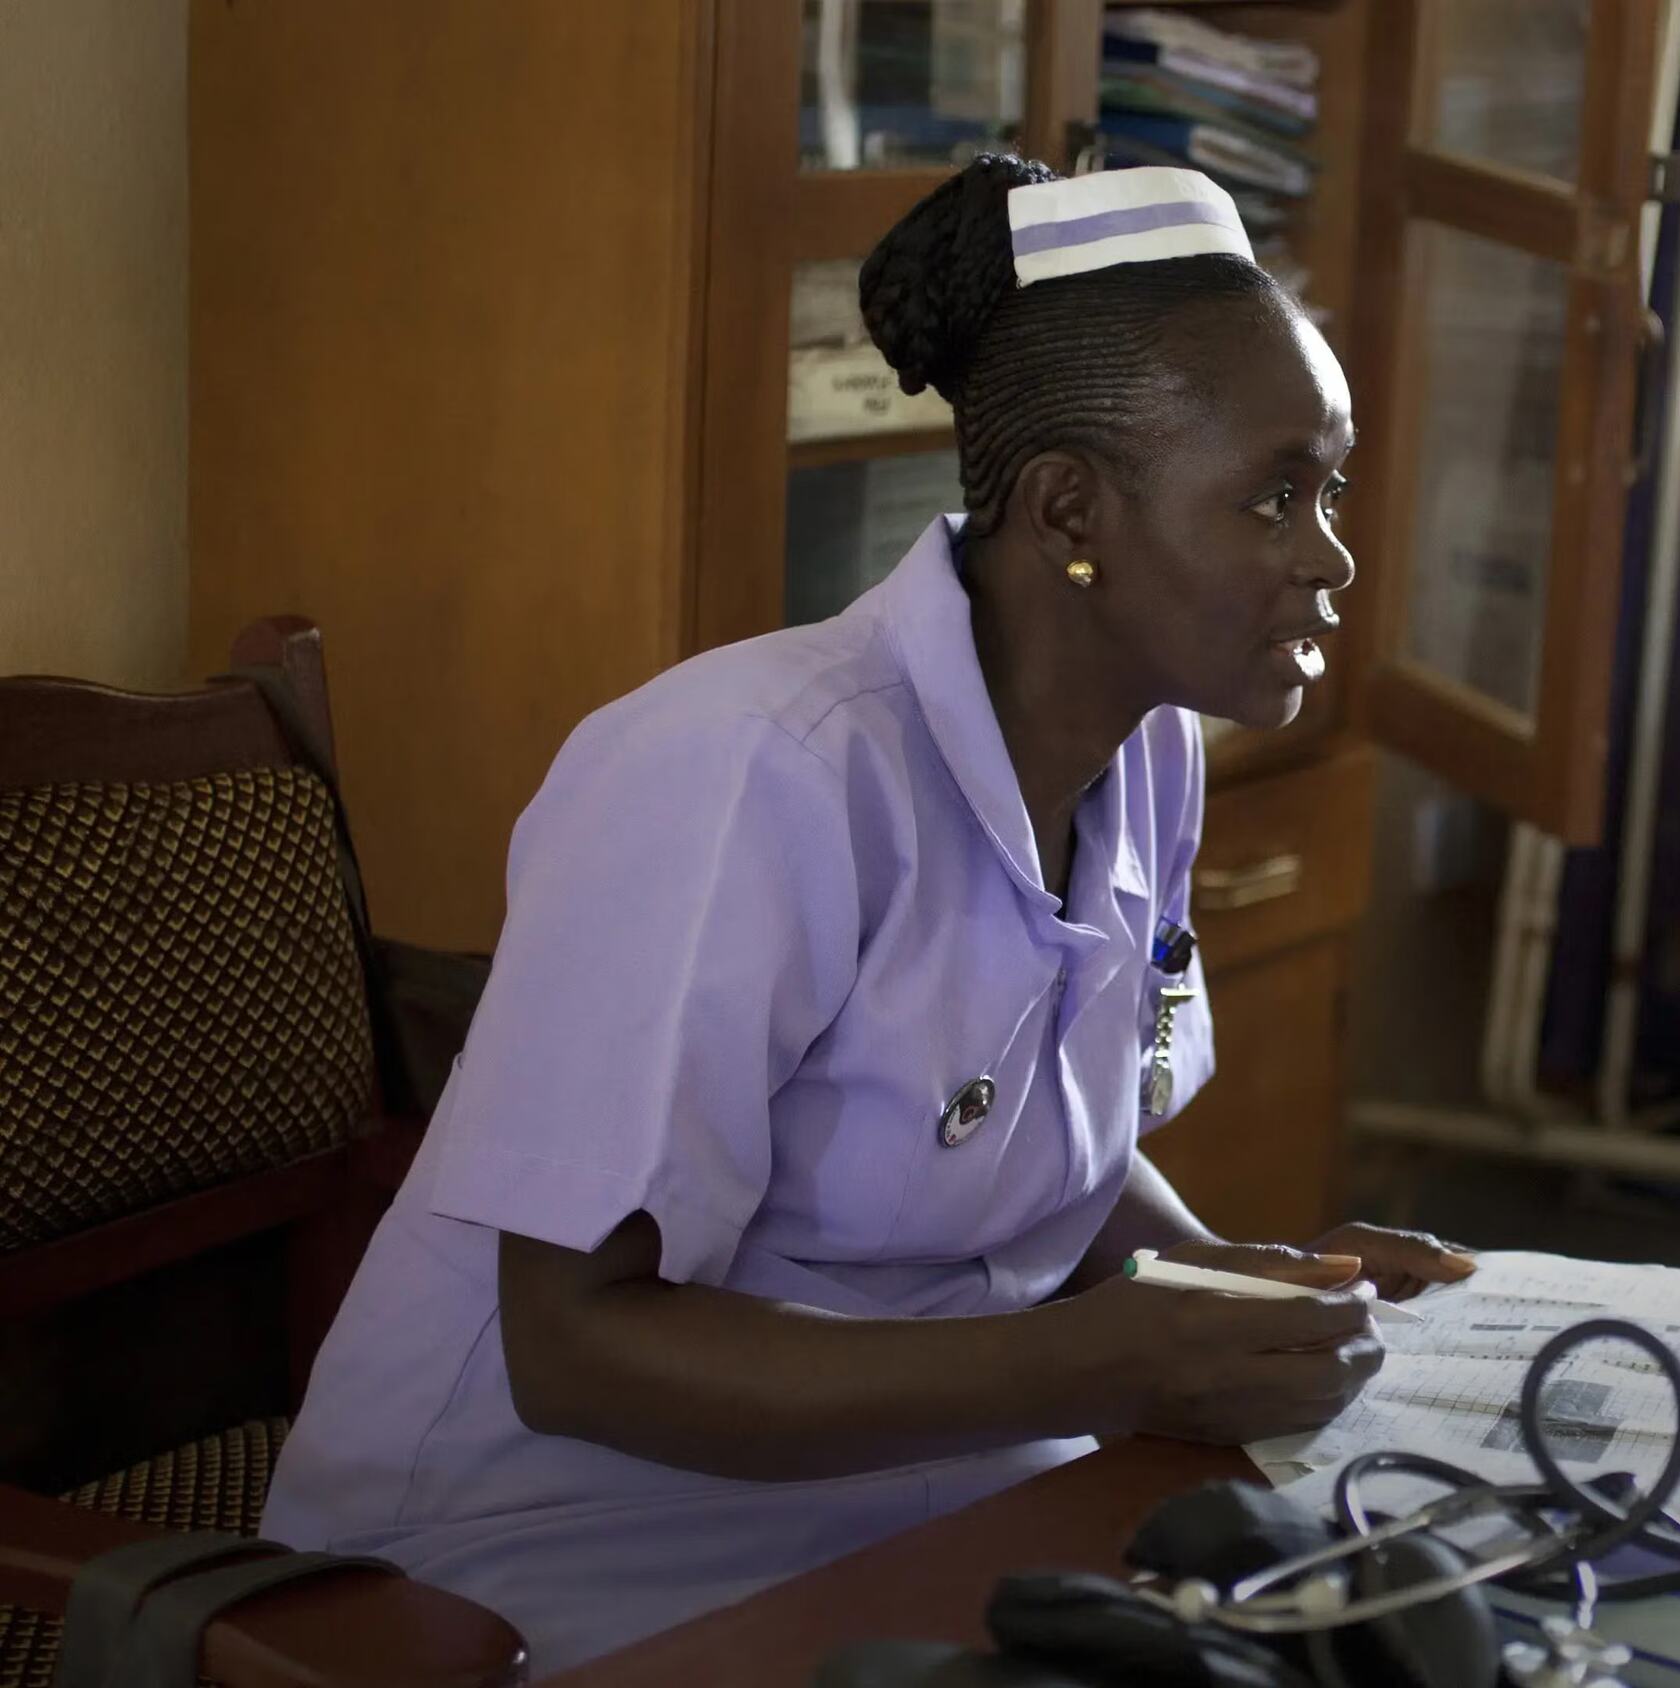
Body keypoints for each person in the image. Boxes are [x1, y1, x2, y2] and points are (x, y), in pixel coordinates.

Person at [258, 157, 1469, 1670]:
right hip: (538, 1551)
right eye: (1273, 494)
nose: (1331, 554)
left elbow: (1053, 1157)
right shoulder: (753, 773)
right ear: (1071, 511)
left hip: (920, 1479)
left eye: (1332, 486)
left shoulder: (1147, 751)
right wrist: (1094, 1364)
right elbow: (575, 1351)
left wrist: (1231, 1291)